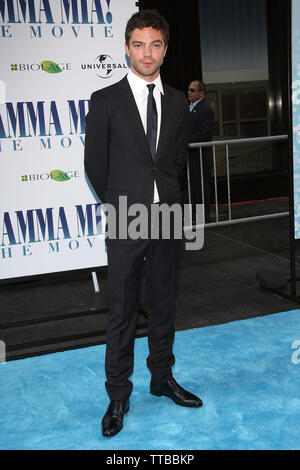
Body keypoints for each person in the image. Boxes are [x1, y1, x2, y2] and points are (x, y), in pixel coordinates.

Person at [84, 9, 203, 439]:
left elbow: (175, 162)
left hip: (167, 215)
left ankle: (162, 377)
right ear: (127, 47)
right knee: (122, 308)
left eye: (155, 44)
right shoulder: (106, 100)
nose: (147, 53)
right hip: (126, 215)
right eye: (139, 44)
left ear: (165, 49)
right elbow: (95, 165)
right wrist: (122, 203)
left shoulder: (176, 100)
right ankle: (118, 394)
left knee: (165, 302)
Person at [187, 80, 214, 223]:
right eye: (189, 90)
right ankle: (191, 216)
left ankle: (203, 216)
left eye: (192, 90)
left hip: (200, 156)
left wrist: (186, 141)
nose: (189, 92)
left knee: (201, 188)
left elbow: (204, 134)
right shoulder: (189, 107)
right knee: (191, 188)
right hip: (190, 157)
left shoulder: (205, 109)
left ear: (201, 93)